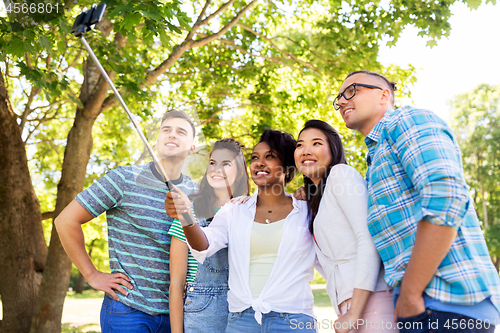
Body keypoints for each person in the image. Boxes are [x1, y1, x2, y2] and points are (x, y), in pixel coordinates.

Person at [333, 70, 500, 332]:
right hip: (421, 307)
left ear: (383, 95)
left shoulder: (407, 120)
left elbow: (445, 198)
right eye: (338, 98)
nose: (341, 101)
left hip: (448, 305)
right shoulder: (376, 157)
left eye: (351, 91)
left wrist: (410, 294)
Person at [55, 110, 198, 333]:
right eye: (166, 130)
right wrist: (92, 275)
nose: (172, 135)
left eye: (181, 132)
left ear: (192, 147)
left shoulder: (196, 193)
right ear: (157, 140)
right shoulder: (123, 178)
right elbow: (65, 221)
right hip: (128, 310)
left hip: (179, 314)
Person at [165, 129, 320, 332]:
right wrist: (185, 217)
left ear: (289, 170)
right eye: (255, 157)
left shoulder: (307, 210)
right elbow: (204, 247)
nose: (259, 162)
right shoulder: (235, 210)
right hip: (241, 321)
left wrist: (312, 192)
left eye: (270, 156)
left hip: (293, 319)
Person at [294, 119, 396, 333]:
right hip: (348, 305)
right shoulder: (316, 203)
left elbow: (368, 239)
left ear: (333, 149)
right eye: (300, 145)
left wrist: (355, 312)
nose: (305, 150)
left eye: (316, 143)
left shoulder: (341, 174)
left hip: (370, 301)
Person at [167, 138, 250, 333]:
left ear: (239, 174)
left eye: (226, 164)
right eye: (212, 163)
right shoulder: (189, 213)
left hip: (243, 314)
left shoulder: (250, 211)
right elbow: (177, 284)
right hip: (202, 316)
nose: (215, 169)